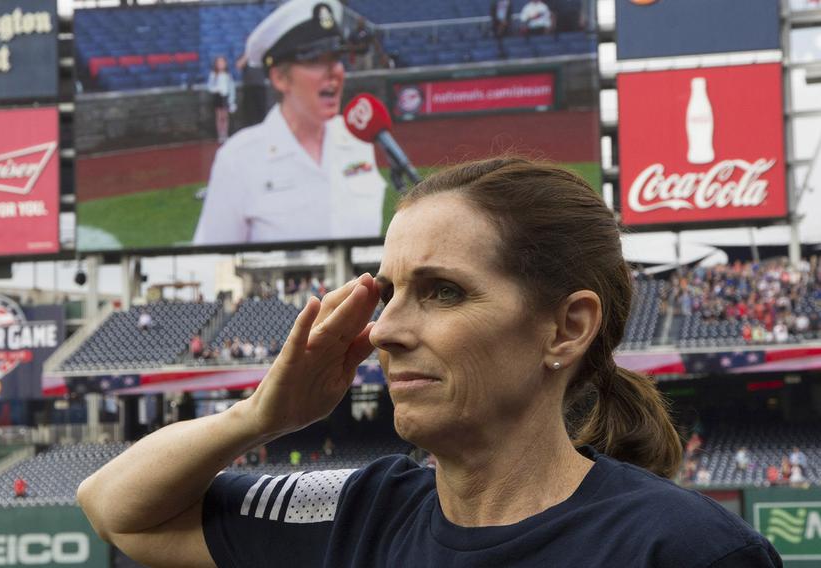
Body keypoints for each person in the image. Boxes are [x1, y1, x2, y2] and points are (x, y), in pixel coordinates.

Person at [78, 158, 781, 566]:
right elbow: (118, 511)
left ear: (567, 329)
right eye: (388, 293)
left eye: (443, 292)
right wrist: (259, 414)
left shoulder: (684, 550)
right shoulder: (360, 512)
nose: (384, 331)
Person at [193, 0, 387, 246]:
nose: (335, 71)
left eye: (337, 58)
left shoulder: (358, 140)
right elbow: (212, 264)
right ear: (280, 78)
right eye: (316, 60)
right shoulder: (237, 160)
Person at [207, 56, 237, 143]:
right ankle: (220, 134)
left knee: (225, 116)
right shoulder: (213, 74)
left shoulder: (228, 75)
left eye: (222, 62)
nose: (221, 64)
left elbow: (231, 88)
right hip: (218, 97)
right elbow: (210, 87)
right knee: (219, 116)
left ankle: (225, 133)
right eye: (219, 63)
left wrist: (232, 100)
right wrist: (216, 89)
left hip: (226, 97)